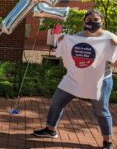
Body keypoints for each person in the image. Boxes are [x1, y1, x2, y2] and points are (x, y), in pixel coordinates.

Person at [33, 9, 117, 149]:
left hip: (99, 80)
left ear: (101, 21)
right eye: (89, 20)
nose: (92, 23)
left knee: (101, 110)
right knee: (56, 102)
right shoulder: (77, 36)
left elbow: (115, 63)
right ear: (84, 21)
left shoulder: (110, 38)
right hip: (75, 78)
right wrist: (61, 41)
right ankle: (50, 129)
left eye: (95, 20)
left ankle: (107, 141)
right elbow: (63, 53)